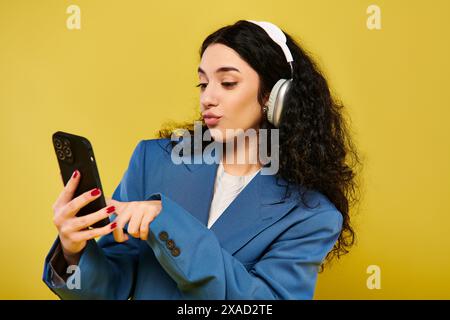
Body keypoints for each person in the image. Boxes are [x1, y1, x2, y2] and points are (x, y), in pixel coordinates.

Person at [43, 20, 360, 300]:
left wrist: (165, 219)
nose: (208, 97)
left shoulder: (312, 215)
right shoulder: (152, 162)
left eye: (228, 83)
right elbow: (111, 287)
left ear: (273, 97)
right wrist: (74, 252)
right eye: (203, 83)